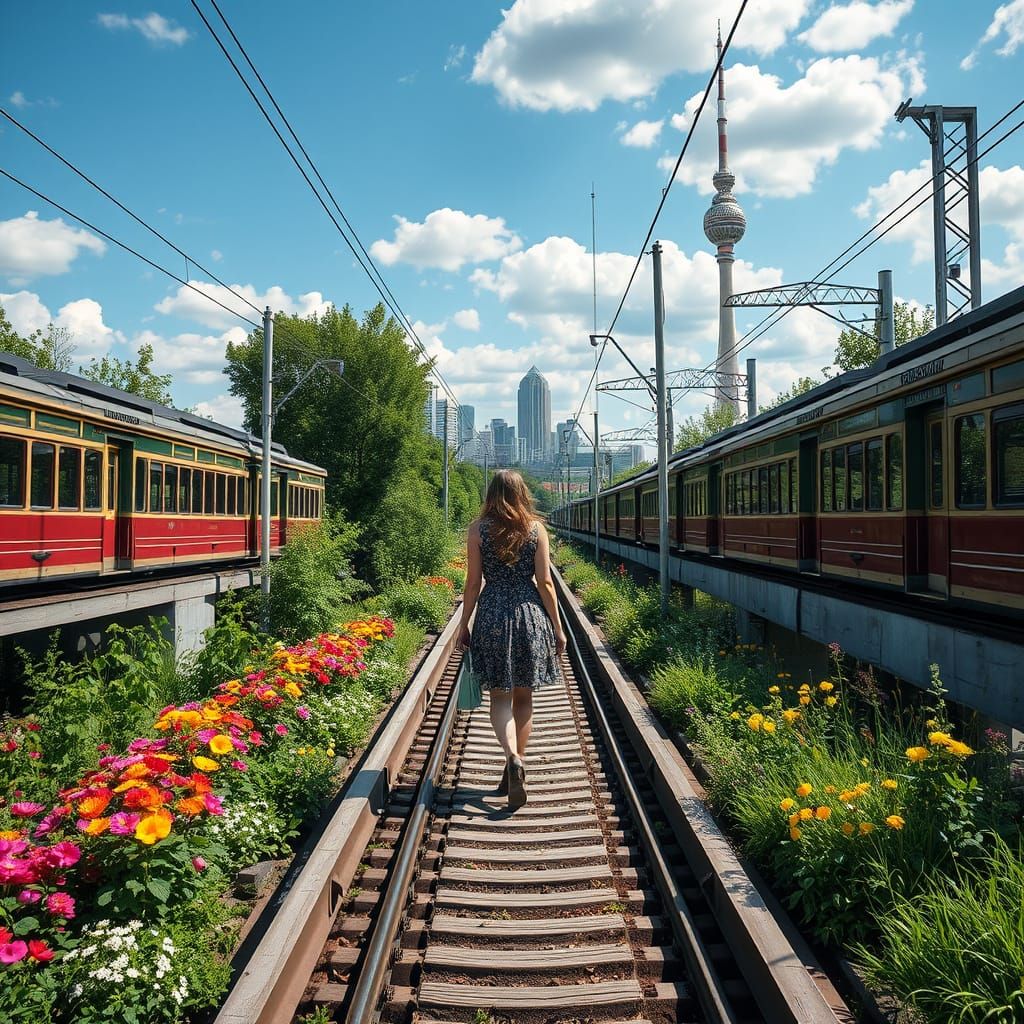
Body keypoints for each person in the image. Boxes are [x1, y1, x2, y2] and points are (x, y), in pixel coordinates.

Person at [458, 469, 566, 809]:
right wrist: (558, 628)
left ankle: (511, 759)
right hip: (529, 615)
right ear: (522, 494)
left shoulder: (477, 530)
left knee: (499, 699)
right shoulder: (535, 529)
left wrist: (464, 624)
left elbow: (473, 584)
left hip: (492, 614)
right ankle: (517, 759)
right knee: (524, 697)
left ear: (490, 494)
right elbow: (546, 583)